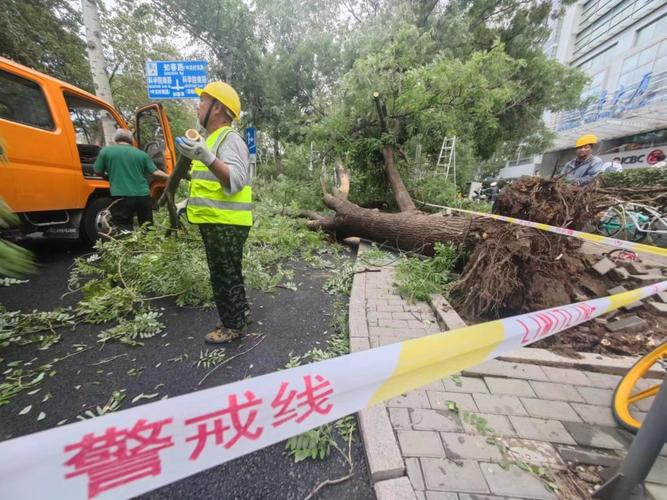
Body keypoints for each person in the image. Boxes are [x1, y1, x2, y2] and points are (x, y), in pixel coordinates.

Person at [175, 81, 253, 344]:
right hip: (218, 219)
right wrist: (187, 203)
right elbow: (208, 183)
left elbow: (237, 180)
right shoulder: (211, 140)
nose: (198, 106)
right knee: (229, 271)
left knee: (224, 274)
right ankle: (238, 314)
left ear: (218, 108)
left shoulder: (229, 139)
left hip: (226, 222)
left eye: (204, 101)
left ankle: (232, 327)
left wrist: (205, 156)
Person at [94, 128, 169, 231]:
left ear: (116, 139)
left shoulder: (106, 152)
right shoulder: (142, 154)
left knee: (123, 227)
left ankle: (128, 245)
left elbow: (97, 171)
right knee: (147, 227)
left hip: (121, 196)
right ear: (131, 140)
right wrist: (170, 177)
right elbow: (155, 172)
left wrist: (107, 177)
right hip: (143, 196)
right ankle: (148, 246)